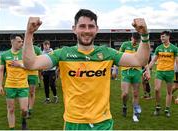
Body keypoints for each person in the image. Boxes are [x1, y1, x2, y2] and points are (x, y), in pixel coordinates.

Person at [22, 9, 150, 130]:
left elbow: (140, 60)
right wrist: (29, 33)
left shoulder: (107, 53)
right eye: (82, 26)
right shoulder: (63, 54)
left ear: (97, 29)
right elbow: (31, 63)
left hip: (103, 123)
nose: (87, 30)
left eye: (91, 26)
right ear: (74, 29)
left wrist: (144, 35)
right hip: (74, 123)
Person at [0, 34, 29, 130]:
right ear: (12, 42)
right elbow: (1, 70)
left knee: (24, 110)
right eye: (19, 41)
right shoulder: (4, 55)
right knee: (10, 109)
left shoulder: (25, 54)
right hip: (10, 85)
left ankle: (24, 120)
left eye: (22, 41)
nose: (21, 43)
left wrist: (19, 65)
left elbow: (30, 66)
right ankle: (12, 129)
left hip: (23, 85)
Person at [148, 31, 178, 117]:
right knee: (157, 89)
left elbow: (177, 61)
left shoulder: (174, 48)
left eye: (163, 36)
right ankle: (157, 107)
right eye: (161, 37)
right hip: (159, 71)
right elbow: (153, 60)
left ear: (168, 37)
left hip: (170, 72)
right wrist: (148, 69)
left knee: (169, 92)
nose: (162, 38)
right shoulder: (158, 48)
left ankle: (167, 110)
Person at [119, 33, 143, 122]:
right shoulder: (125, 45)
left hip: (137, 72)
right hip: (126, 71)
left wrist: (147, 70)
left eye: (137, 40)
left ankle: (135, 114)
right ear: (131, 38)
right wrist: (115, 69)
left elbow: (143, 59)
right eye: (134, 39)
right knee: (125, 93)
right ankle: (124, 105)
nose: (135, 41)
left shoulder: (140, 47)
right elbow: (119, 56)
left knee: (136, 94)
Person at [26, 44, 42, 117]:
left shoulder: (37, 49)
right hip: (23, 74)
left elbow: (40, 60)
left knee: (32, 92)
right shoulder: (22, 49)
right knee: (24, 92)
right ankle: (25, 108)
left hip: (33, 74)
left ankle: (30, 109)